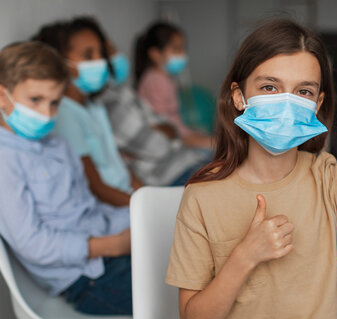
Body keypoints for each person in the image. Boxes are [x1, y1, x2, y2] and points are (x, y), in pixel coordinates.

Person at [166, 19, 337, 319]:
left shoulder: (334, 182)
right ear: (238, 97)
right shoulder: (202, 197)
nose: (287, 103)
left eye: (303, 91)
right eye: (270, 87)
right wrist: (246, 256)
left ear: (318, 104)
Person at [0, 41, 132, 315]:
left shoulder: (58, 144)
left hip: (111, 245)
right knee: (189, 297)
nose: (47, 114)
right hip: (87, 279)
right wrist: (112, 245)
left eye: (55, 102)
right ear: (2, 96)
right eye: (35, 100)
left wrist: (139, 219)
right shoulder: (5, 161)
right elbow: (32, 243)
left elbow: (89, 208)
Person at [33, 18, 142, 207]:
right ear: (62, 63)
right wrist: (144, 208)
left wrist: (148, 195)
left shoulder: (93, 107)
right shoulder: (65, 114)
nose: (100, 61)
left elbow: (121, 168)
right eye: (88, 55)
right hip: (111, 208)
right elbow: (96, 188)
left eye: (100, 53)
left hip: (129, 200)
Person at [99, 38, 212, 186]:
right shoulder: (113, 106)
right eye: (111, 52)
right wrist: (167, 133)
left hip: (182, 161)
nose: (118, 56)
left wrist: (162, 131)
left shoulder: (125, 94)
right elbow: (160, 146)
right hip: (169, 175)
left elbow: (170, 127)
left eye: (115, 50)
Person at [134, 21, 212, 149]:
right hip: (166, 146)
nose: (182, 55)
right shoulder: (156, 81)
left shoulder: (164, 79)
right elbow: (168, 130)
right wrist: (206, 142)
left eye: (183, 49)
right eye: (176, 49)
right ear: (155, 54)